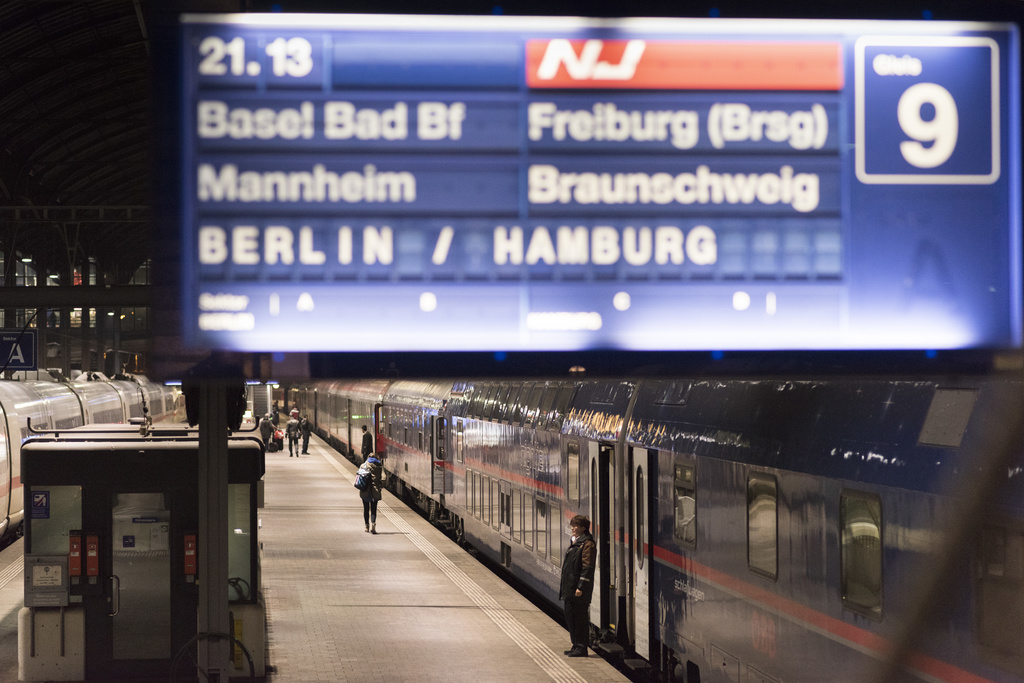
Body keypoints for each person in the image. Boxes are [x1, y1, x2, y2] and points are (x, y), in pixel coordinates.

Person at [560, 514, 596, 657]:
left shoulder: (587, 544)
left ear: (583, 528)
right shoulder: (577, 541)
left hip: (579, 589)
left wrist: (581, 587)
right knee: (570, 616)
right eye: (572, 525)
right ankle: (575, 645)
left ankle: (581, 647)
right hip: (570, 587)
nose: (573, 528)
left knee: (580, 618)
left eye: (576, 526)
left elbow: (587, 568)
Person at [360, 452, 384, 534]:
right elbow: (384, 478)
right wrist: (380, 486)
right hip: (375, 491)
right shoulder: (379, 466)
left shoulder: (363, 465)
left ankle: (366, 526)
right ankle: (373, 524)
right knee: (373, 509)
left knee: (366, 509)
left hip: (365, 490)